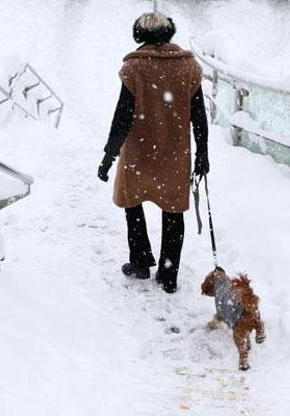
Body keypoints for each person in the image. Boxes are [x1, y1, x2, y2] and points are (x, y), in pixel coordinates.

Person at [97, 12, 209, 294]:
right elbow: (199, 116)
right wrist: (202, 154)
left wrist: (110, 155)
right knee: (173, 212)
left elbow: (122, 116)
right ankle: (169, 274)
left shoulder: (135, 69)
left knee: (132, 202)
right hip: (174, 152)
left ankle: (140, 261)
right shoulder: (188, 67)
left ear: (140, 35)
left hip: (138, 152)